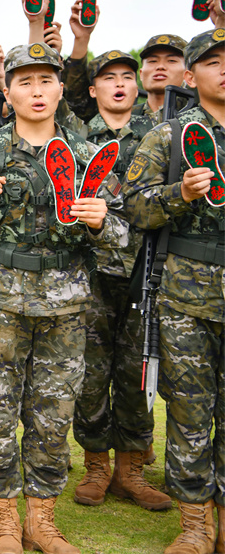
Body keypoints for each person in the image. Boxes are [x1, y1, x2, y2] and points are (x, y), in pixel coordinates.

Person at [0, 42, 128, 554]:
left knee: (53, 414)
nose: (36, 90)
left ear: (61, 88)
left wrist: (101, 223)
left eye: (45, 80)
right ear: (6, 93)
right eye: (24, 81)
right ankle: (4, 520)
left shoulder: (88, 156)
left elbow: (124, 237)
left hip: (65, 304)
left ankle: (42, 519)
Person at [123, 28, 225, 554]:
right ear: (192, 75)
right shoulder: (169, 136)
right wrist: (179, 193)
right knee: (189, 413)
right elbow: (134, 207)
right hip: (187, 295)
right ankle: (195, 525)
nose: (224, 68)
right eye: (213, 61)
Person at [70, 50, 168, 512]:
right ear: (93, 90)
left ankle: (132, 472)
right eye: (108, 78)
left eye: (127, 76)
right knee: (90, 375)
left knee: (136, 371)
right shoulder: (75, 138)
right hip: (89, 272)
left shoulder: (159, 136)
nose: (119, 84)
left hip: (143, 272)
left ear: (138, 85)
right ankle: (96, 466)